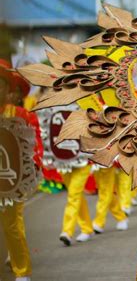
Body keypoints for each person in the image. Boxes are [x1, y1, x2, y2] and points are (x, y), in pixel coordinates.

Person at [0, 62, 42, 281]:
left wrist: (33, 166)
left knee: (12, 225)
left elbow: (34, 145)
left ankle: (21, 271)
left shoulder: (21, 114)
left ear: (8, 89)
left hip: (11, 179)